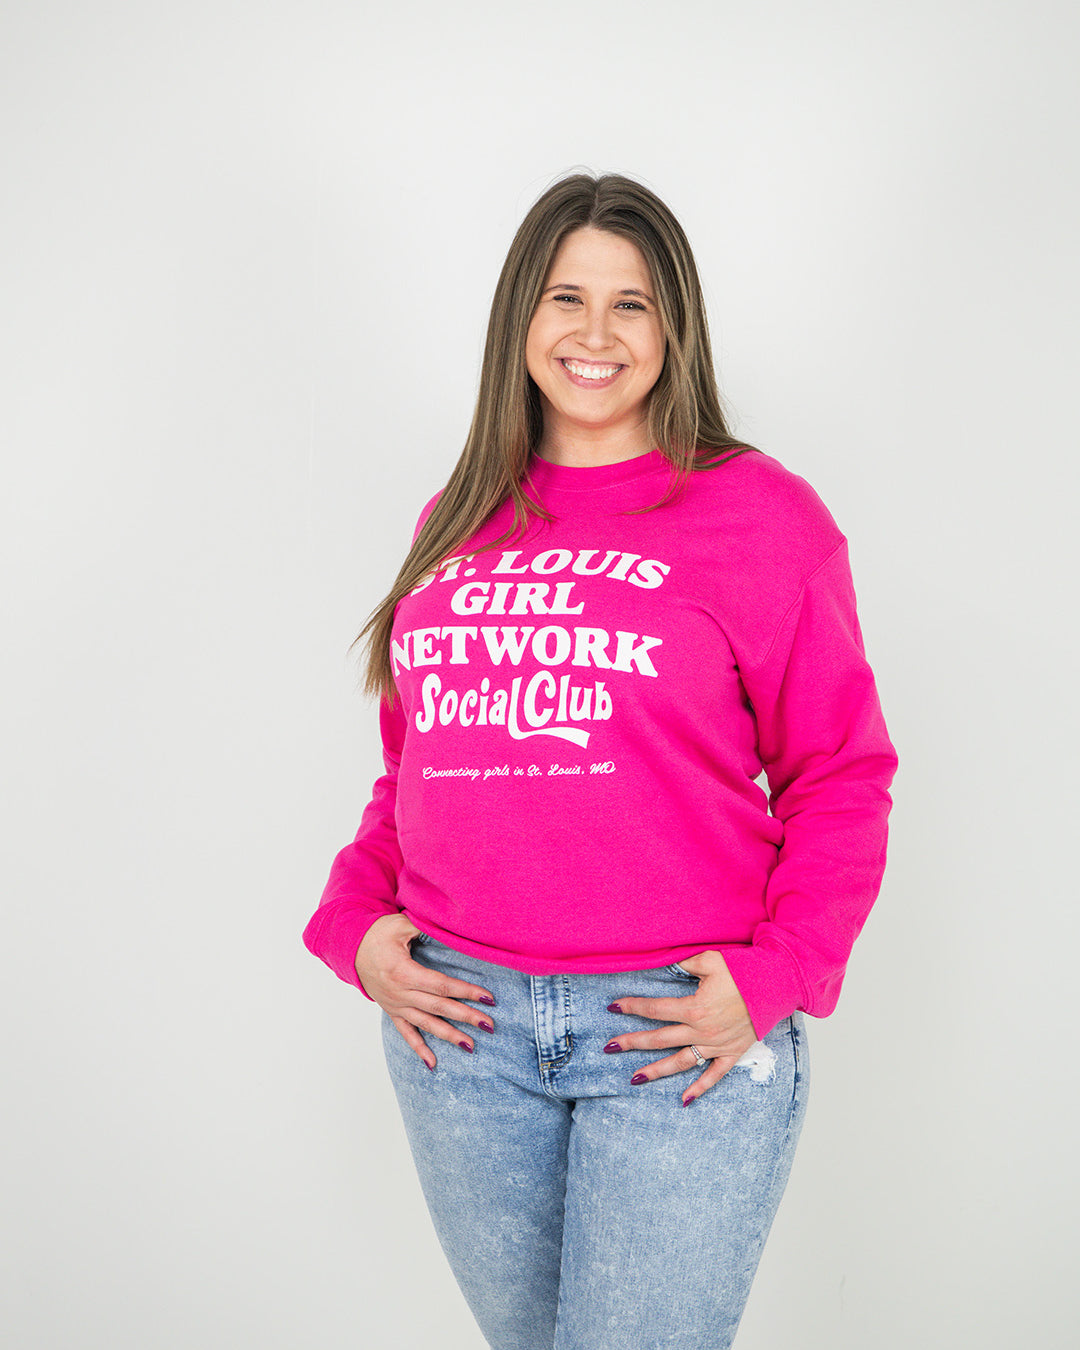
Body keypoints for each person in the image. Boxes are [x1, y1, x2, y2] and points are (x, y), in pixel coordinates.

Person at [302, 171, 898, 1350]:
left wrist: (780, 971)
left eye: (632, 304)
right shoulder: (457, 517)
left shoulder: (761, 517)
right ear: (520, 314)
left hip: (672, 1033)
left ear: (674, 326)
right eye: (567, 296)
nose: (594, 333)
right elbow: (416, 770)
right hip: (462, 1037)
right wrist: (353, 926)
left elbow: (841, 771)